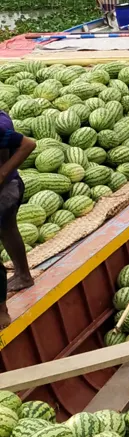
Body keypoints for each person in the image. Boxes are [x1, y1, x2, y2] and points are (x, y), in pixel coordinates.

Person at [0, 109, 37, 321]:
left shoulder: (1, 125)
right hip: (8, 185)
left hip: (7, 187)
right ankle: (23, 274)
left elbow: (28, 145)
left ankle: (3, 309)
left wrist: (2, 174)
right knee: (7, 230)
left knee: (7, 229)